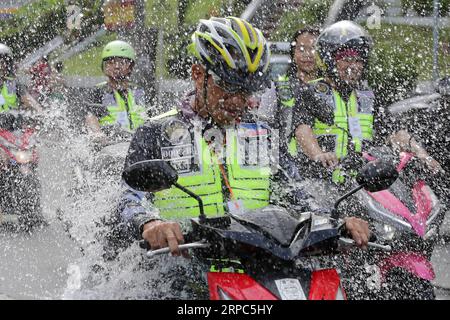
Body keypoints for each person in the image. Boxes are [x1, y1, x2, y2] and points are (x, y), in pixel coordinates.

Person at [109, 17, 371, 261]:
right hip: (181, 266)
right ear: (198, 75)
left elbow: (296, 192)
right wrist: (149, 223)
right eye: (229, 86)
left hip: (257, 264)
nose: (238, 101)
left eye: (246, 90)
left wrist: (335, 220)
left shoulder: (263, 135)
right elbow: (129, 199)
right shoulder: (157, 131)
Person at [291, 20, 440, 299]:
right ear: (329, 59)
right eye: (344, 58)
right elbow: (302, 130)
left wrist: (422, 154)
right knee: (334, 252)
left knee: (381, 239)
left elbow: (394, 133)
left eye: (357, 59)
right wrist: (318, 154)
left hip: (362, 187)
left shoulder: (367, 96)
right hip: (325, 188)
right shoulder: (311, 92)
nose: (352, 65)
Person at [83, 40, 148, 139]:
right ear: (105, 67)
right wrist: (98, 135)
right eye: (111, 62)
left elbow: (151, 116)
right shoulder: (98, 91)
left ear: (130, 67)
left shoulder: (139, 91)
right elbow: (90, 117)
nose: (117, 66)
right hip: (112, 144)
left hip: (139, 144)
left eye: (122, 62)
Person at [0, 43, 42, 113]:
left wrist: (39, 113)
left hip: (13, 121)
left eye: (2, 62)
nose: (1, 66)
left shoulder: (12, 84)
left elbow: (31, 103)